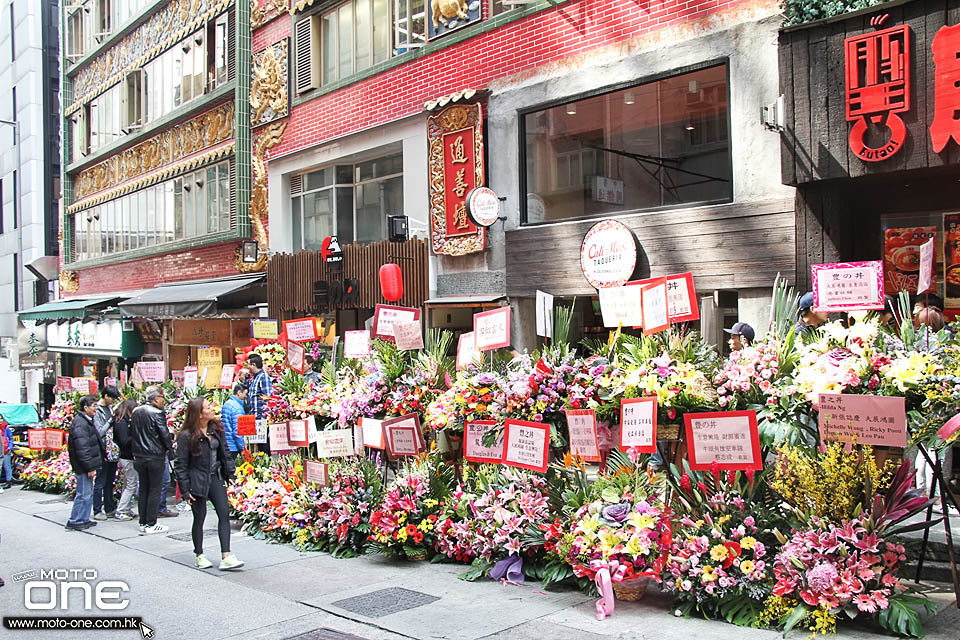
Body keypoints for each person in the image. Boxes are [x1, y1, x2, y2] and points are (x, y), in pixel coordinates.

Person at [175, 397, 244, 571]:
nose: (212, 409)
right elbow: (180, 464)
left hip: (216, 477)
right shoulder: (186, 436)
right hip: (197, 480)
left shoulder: (216, 429)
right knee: (199, 518)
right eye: (208, 407)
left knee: (223, 513)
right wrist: (185, 489)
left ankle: (226, 555)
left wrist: (230, 473)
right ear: (199, 414)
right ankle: (199, 554)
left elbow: (225, 452)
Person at [131, 386, 173, 534]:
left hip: (139, 456)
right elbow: (164, 434)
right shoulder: (157, 413)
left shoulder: (136, 411)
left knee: (144, 488)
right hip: (154, 456)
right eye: (162, 397)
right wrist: (169, 446)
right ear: (156, 398)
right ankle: (151, 523)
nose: (163, 401)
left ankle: (143, 521)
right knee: (155, 489)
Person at [66, 395, 105, 531]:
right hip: (83, 466)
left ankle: (83, 518)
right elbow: (82, 449)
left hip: (86, 464)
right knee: (83, 493)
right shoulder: (81, 423)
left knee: (87, 493)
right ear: (85, 407)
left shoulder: (86, 421)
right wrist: (89, 467)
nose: (96, 408)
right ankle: (75, 520)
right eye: (94, 406)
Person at [92, 386, 120, 520]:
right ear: (106, 396)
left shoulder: (109, 409)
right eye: (112, 398)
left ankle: (109, 508)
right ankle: (97, 510)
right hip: (102, 450)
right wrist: (111, 421)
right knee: (100, 480)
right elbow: (99, 432)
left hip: (111, 451)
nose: (113, 401)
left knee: (110, 480)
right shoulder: (97, 410)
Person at [112, 399, 139, 521]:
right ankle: (122, 510)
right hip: (127, 456)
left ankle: (126, 508)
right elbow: (124, 441)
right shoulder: (122, 423)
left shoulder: (122, 421)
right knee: (131, 484)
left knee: (128, 484)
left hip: (126, 456)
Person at [221, 384, 248, 459]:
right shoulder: (237, 408)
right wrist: (242, 448)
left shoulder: (227, 403)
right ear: (239, 392)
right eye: (245, 394)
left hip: (226, 443)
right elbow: (238, 431)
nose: (246, 397)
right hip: (234, 446)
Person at [246, 354, 271, 420]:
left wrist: (264, 415)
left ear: (253, 365)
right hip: (253, 415)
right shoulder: (254, 377)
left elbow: (267, 397)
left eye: (248, 364)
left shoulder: (263, 376)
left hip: (260, 416)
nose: (247, 367)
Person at [1, 418, 13, 490]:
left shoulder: (6, 427)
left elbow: (11, 438)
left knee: (7, 466)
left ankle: (8, 481)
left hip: (5, 450)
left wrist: (9, 447)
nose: (0, 420)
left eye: (1, 419)